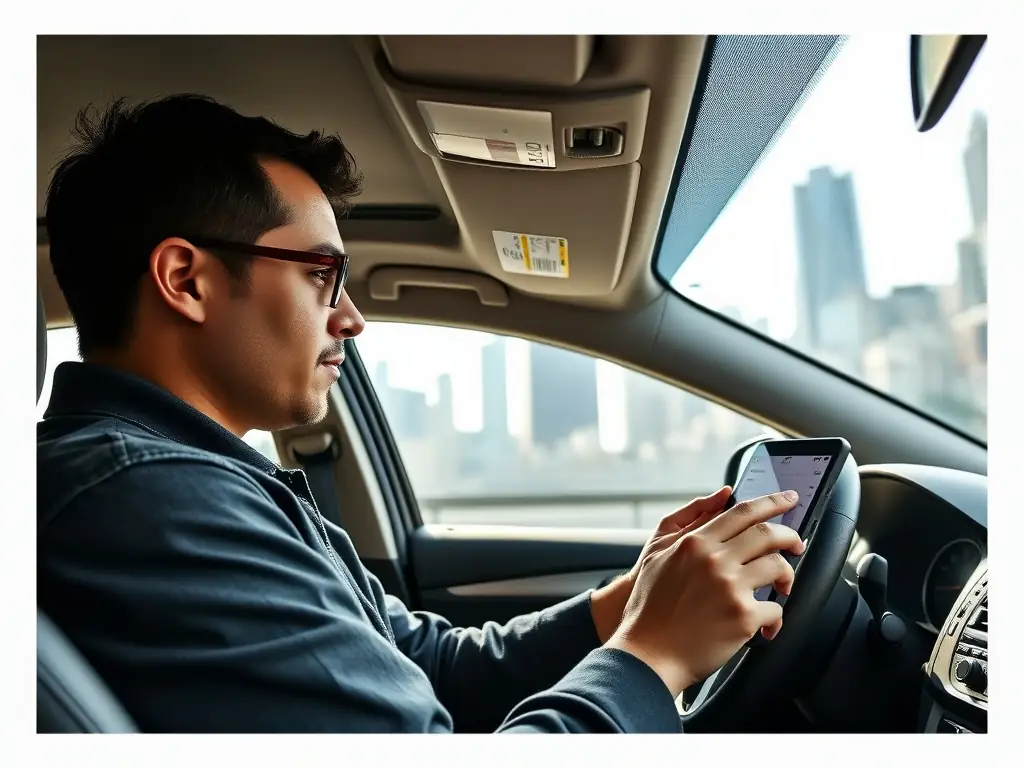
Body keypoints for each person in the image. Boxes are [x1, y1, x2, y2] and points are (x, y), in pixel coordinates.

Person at [37, 94, 806, 733]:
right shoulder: (149, 498)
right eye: (323, 275)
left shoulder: (197, 485)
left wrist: (634, 600)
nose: (351, 319)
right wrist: (653, 657)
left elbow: (427, 667)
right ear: (185, 279)